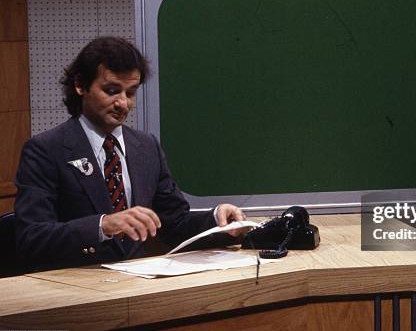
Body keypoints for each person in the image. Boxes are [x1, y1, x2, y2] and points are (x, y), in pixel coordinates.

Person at [14, 37, 246, 271]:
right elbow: (32, 237)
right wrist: (103, 225)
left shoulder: (146, 147)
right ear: (80, 85)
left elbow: (174, 222)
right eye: (112, 91)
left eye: (131, 92)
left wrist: (217, 221)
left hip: (137, 285)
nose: (123, 103)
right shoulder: (45, 150)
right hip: (75, 288)